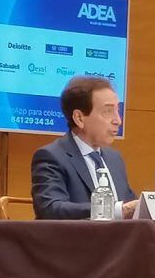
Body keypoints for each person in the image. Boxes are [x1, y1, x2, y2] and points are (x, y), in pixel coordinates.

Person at [31, 76, 138, 220]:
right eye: (107, 111)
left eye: (117, 110)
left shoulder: (114, 159)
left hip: (120, 241)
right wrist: (115, 210)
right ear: (79, 118)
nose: (118, 120)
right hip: (76, 241)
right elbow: (51, 209)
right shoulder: (51, 156)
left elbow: (130, 208)